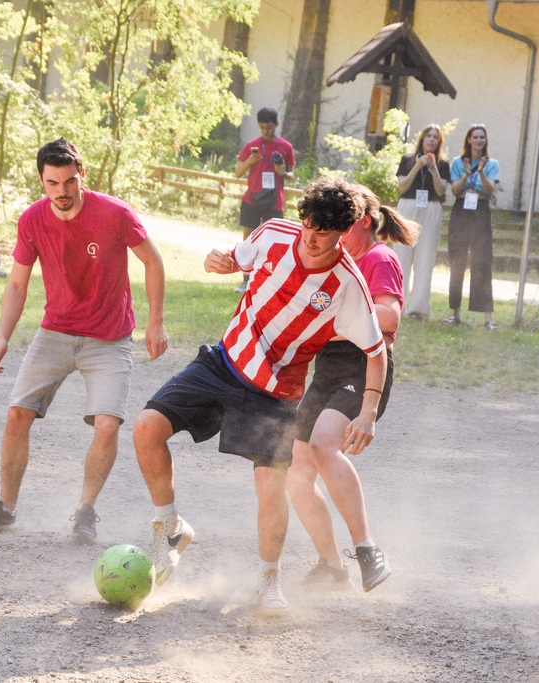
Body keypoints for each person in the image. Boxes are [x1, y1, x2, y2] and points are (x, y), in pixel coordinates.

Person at [132, 177, 386, 613]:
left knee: (271, 490)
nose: (311, 236)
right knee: (145, 427)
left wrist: (368, 412)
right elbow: (237, 257)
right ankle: (170, 525)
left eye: (323, 231)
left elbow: (376, 353)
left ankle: (270, 581)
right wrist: (221, 262)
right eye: (308, 223)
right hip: (225, 362)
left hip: (277, 394)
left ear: (343, 232)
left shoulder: (348, 285)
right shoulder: (274, 234)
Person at [0, 138, 167, 545]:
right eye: (53, 183)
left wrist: (155, 322)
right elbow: (18, 284)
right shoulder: (32, 220)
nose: (62, 191)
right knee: (16, 415)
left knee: (108, 426)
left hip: (109, 338)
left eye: (69, 181)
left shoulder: (115, 213)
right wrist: (3, 337)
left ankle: (85, 512)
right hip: (55, 332)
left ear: (81, 176)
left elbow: (153, 260)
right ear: (42, 181)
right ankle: (5, 508)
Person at [286, 185, 417, 593]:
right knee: (295, 470)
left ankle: (367, 549)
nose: (334, 234)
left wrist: (335, 313)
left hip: (364, 368)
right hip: (328, 369)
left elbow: (389, 315)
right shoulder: (335, 261)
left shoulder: (379, 257)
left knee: (325, 443)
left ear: (363, 221)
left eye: (342, 226)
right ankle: (330, 565)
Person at [234, 106, 295, 293]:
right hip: (252, 199)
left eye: (269, 127)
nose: (266, 131)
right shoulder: (252, 145)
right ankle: (246, 280)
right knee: (248, 240)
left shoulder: (286, 147)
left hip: (274, 201)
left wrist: (283, 172)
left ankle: (270, 282)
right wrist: (249, 162)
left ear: (276, 125)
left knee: (274, 242)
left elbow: (292, 174)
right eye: (262, 127)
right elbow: (237, 173)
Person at [392, 124, 450, 320]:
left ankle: (418, 309)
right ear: (422, 139)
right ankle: (395, 305)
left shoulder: (442, 163)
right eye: (429, 136)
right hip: (408, 206)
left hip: (431, 209)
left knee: (425, 259)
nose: (432, 140)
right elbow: (402, 186)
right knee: (401, 257)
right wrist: (417, 166)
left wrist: (433, 169)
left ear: (439, 142)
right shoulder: (408, 160)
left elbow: (441, 190)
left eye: (436, 137)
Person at [446, 124, 501, 330]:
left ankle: (487, 318)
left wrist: (480, 172)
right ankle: (455, 313)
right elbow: (454, 190)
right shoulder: (458, 162)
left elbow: (488, 190)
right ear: (469, 139)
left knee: (483, 261)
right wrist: (466, 174)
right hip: (461, 210)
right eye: (475, 137)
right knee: (457, 261)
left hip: (480, 210)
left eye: (482, 137)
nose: (479, 141)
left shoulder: (492, 163)